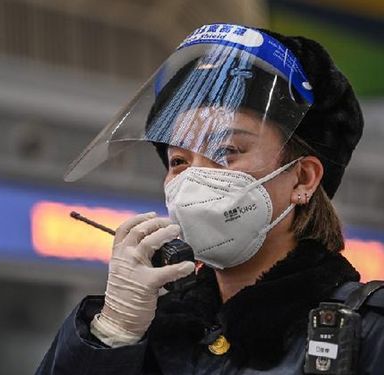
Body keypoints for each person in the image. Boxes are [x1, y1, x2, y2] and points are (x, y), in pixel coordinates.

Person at [36, 23, 384, 374]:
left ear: (303, 178)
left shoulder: (369, 333)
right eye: (178, 161)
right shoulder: (152, 336)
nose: (194, 179)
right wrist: (111, 335)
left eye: (226, 151)